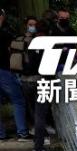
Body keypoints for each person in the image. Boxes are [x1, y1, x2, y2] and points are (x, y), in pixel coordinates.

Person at [0, 9, 30, 142]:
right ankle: (22, 133)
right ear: (1, 17)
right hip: (4, 71)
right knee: (18, 100)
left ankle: (1, 134)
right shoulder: (5, 35)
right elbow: (14, 50)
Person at [26, 19, 52, 151]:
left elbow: (29, 65)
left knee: (36, 114)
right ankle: (38, 149)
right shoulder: (48, 44)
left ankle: (40, 143)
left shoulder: (31, 43)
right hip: (43, 81)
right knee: (41, 115)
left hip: (29, 82)